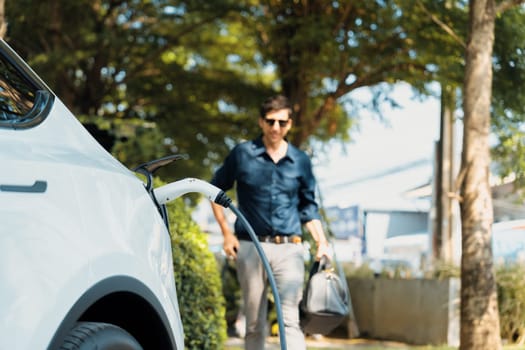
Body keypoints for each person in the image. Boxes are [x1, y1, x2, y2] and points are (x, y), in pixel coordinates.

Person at [210, 94, 330, 350]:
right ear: (261, 122)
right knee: (254, 322)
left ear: (289, 124)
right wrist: (226, 234)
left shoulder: (301, 161)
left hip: (290, 247)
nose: (276, 128)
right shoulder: (243, 154)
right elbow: (214, 191)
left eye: (282, 123)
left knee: (291, 320)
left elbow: (309, 207)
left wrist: (322, 241)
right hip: (251, 247)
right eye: (270, 121)